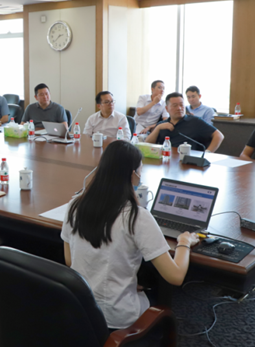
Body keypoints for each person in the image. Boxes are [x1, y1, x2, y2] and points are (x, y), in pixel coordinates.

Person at [61, 141, 199, 330]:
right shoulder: (136, 216)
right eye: (140, 169)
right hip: (118, 318)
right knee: (156, 288)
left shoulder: (75, 205)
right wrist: (184, 242)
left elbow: (70, 260)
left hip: (82, 308)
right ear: (133, 174)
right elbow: (175, 276)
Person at [145, 92, 224, 152]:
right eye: (175, 105)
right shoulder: (162, 125)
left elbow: (219, 135)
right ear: (167, 108)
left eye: (181, 105)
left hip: (188, 161)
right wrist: (158, 128)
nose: (179, 108)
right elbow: (147, 145)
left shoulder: (195, 121)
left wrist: (208, 153)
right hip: (166, 159)